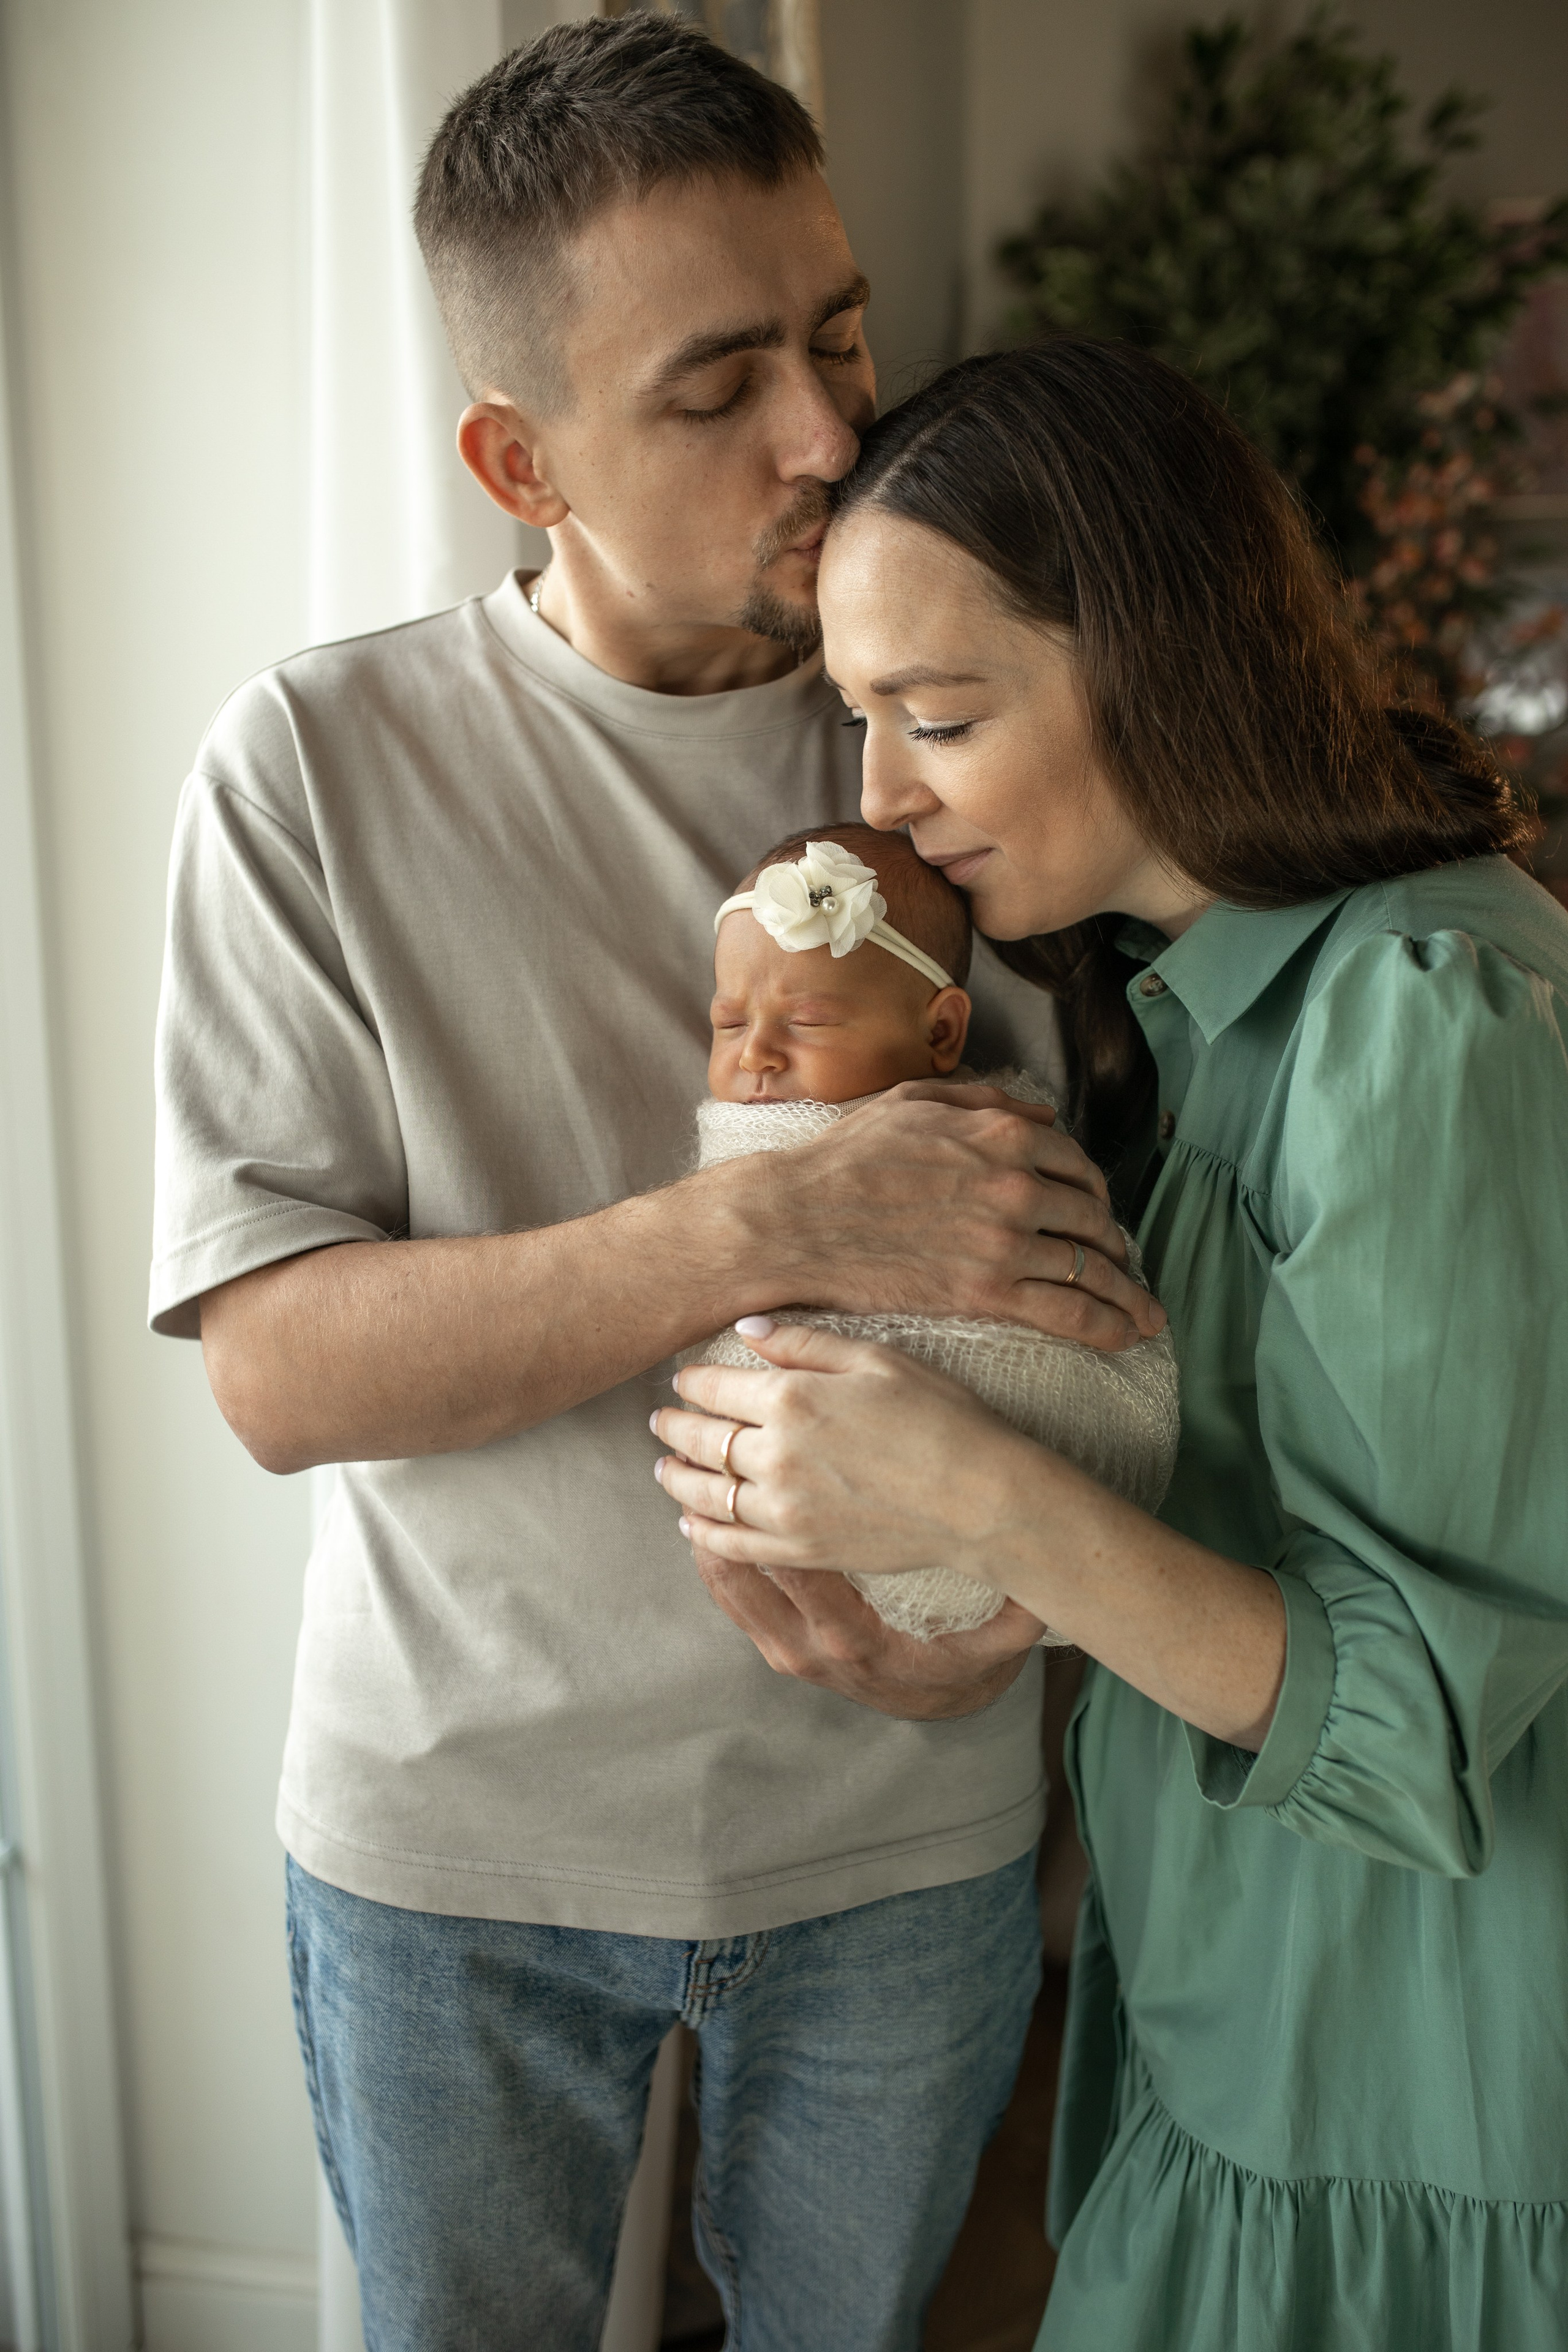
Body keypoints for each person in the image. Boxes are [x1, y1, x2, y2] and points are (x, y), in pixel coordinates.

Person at [148, 22, 1163, 2351]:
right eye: (719, 390)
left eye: (839, 336)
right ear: (524, 457)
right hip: (455, 1858)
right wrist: (770, 1218)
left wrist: (1011, 1612)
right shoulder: (310, 768)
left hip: (908, 1838)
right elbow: (283, 1374)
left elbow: (1126, 1276)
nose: (832, 436)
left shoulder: (984, 733)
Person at [657, 338, 1568, 2348]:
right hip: (1245, 2030)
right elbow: (1258, 1569)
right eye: (862, 722)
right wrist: (969, 1615)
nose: (881, 800)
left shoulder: (1418, 1022)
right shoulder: (1196, 1023)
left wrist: (965, 1485)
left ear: (1151, 655)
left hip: (1417, 2098)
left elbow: (1413, 1709)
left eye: (941, 716)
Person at [689, 821, 1179, 1642]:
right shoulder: (750, 1133)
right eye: (729, 1023)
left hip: (980, 1485)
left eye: (805, 1021)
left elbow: (1064, 1260)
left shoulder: (997, 1137)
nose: (758, 1056)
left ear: (942, 1032)